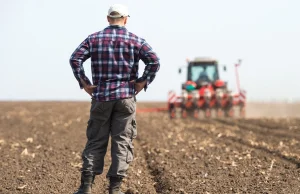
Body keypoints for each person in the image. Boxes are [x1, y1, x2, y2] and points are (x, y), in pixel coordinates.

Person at [69, 4, 160, 194]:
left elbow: (75, 58)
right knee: (122, 141)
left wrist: (85, 83)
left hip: (101, 96)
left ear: (108, 19)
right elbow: (154, 61)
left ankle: (86, 187)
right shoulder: (136, 40)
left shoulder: (93, 39)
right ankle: (115, 188)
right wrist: (142, 82)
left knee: (96, 140)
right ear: (126, 19)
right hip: (126, 97)